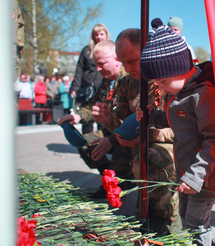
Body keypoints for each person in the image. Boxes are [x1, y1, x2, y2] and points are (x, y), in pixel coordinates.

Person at [136, 18, 215, 246]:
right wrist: (153, 116)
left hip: (205, 178)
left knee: (196, 224)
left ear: (179, 69)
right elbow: (179, 122)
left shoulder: (202, 95)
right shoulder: (182, 93)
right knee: (189, 222)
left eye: (163, 81)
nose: (160, 87)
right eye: (156, 83)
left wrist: (195, 176)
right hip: (189, 175)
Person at [91, 29, 181, 236]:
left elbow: (180, 127)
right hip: (140, 148)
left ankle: (171, 224)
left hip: (167, 150)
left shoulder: (166, 79)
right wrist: (107, 120)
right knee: (141, 170)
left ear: (147, 51)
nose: (127, 68)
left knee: (151, 158)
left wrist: (145, 136)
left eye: (133, 61)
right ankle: (149, 219)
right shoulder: (126, 82)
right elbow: (123, 125)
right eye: (123, 62)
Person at [59, 40, 132, 198]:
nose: (98, 69)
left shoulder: (129, 79)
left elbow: (133, 122)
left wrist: (112, 140)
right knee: (86, 144)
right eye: (96, 65)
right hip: (111, 131)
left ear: (116, 59)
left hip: (129, 136)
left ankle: (122, 181)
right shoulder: (107, 83)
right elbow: (93, 105)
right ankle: (111, 181)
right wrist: (76, 116)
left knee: (121, 155)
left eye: (101, 64)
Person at [70, 23, 110, 134]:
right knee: (87, 120)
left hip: (103, 88)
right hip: (87, 88)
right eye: (96, 34)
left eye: (101, 34)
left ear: (106, 34)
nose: (99, 37)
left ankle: (100, 144)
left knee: (102, 118)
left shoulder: (111, 49)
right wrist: (75, 87)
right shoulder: (86, 51)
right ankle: (88, 145)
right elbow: (79, 70)